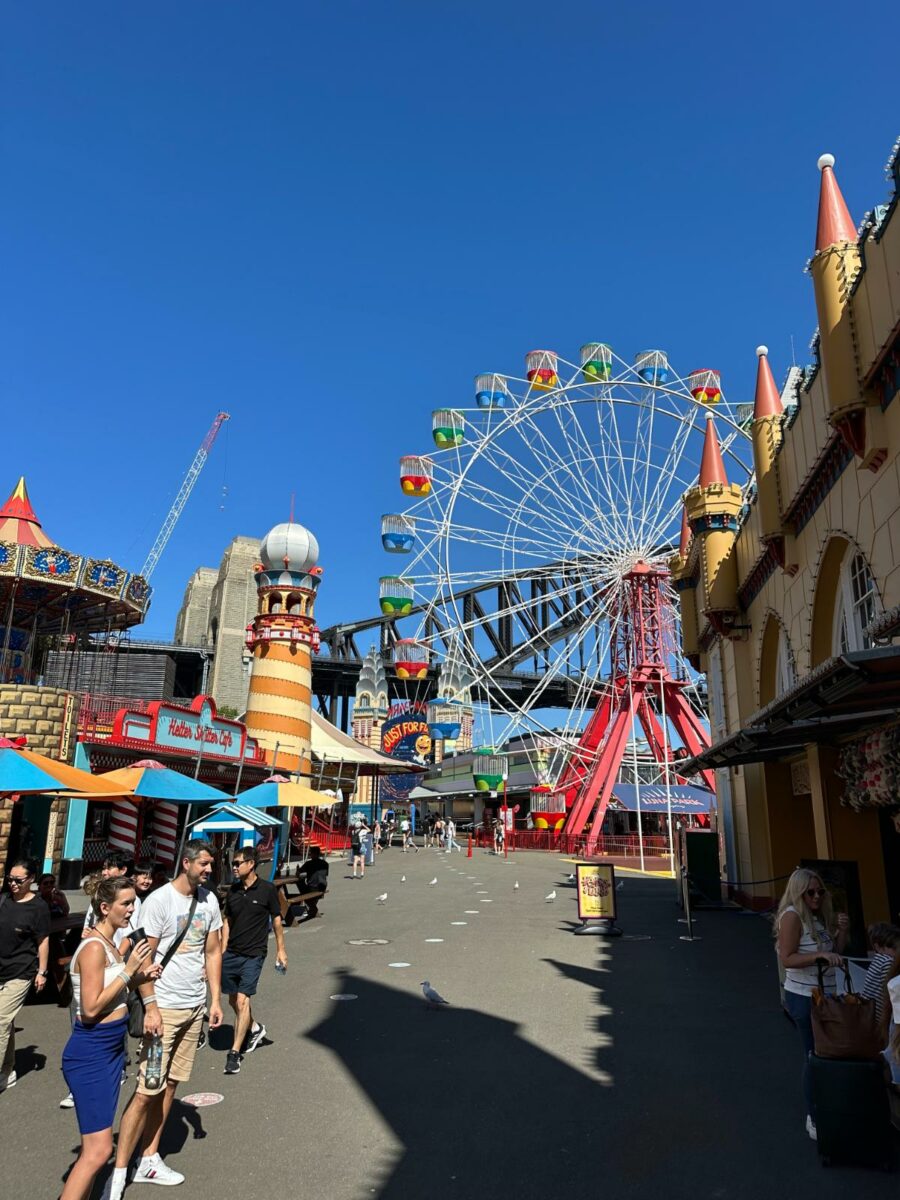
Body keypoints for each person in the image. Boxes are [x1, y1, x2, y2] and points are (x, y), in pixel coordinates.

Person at [104, 840, 223, 1197]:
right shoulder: (159, 901)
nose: (208, 870)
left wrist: (215, 1000)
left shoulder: (210, 901)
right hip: (165, 1008)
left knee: (170, 1084)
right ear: (185, 862)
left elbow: (213, 950)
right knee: (146, 1089)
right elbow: (143, 959)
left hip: (193, 1006)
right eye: (203, 863)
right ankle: (119, 1172)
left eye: (211, 864)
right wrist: (151, 1007)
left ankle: (150, 1157)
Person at [60, 878, 159, 1200]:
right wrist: (130, 971)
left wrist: (140, 976)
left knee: (94, 1149)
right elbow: (90, 1008)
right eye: (126, 904)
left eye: (133, 903)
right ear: (105, 908)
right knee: (99, 1152)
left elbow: (113, 994)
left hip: (111, 1049)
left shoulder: (112, 944)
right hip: (91, 1050)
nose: (132, 909)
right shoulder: (93, 948)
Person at [775, 868, 849, 1141]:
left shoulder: (817, 918)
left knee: (827, 1054)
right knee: (813, 1055)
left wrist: (841, 932)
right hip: (805, 998)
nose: (817, 896)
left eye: (820, 891)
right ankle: (814, 1116)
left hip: (826, 996)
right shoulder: (793, 916)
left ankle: (827, 1107)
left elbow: (835, 955)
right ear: (798, 893)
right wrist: (819, 955)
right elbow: (787, 958)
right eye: (811, 892)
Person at [221, 846, 286, 1075]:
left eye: (238, 863)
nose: (235, 867)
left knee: (242, 1001)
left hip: (254, 953)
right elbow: (227, 921)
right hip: (231, 953)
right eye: (233, 863)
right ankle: (255, 1028)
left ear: (251, 864)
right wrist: (221, 951)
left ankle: (234, 1054)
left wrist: (281, 950)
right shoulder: (233, 891)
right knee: (232, 1002)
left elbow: (276, 920)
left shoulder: (267, 889)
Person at [0, 858, 49, 1093]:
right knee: (5, 1023)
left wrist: (42, 971)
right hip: (1, 968)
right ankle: (7, 1070)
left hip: (21, 971)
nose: (13, 884)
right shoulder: (4, 900)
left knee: (0, 1020)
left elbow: (43, 940)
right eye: (10, 879)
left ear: (31, 880)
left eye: (18, 880)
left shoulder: (38, 907)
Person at [861, 922, 900, 1021]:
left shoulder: (878, 959)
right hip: (880, 1018)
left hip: (869, 1015)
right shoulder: (887, 962)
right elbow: (891, 993)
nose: (896, 952)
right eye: (893, 948)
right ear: (878, 947)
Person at [296, 846, 329, 919]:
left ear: (314, 854)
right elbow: (325, 874)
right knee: (309, 889)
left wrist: (298, 870)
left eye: (311, 853)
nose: (310, 855)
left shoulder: (308, 863)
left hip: (312, 887)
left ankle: (312, 907)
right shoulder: (325, 864)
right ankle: (312, 907)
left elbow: (298, 873)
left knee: (300, 883)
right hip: (322, 886)